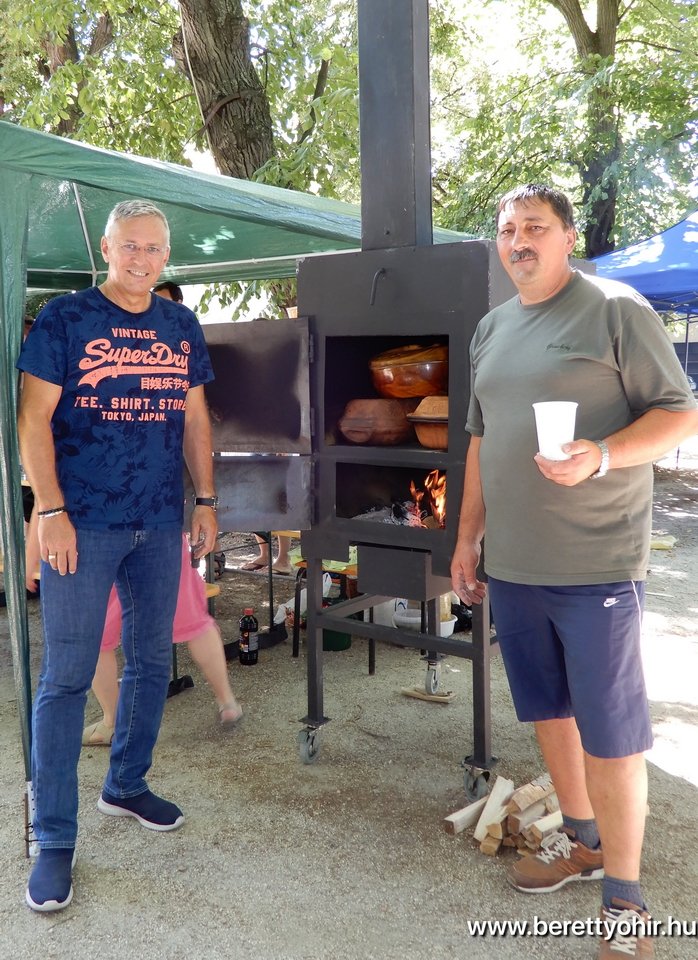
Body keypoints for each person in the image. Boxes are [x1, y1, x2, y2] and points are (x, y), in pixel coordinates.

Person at [451, 184, 698, 960]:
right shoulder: (491, 328)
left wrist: (601, 454)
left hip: (596, 564)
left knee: (614, 734)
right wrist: (467, 538)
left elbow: (678, 412)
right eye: (506, 230)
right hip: (516, 564)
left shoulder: (615, 309)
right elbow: (480, 443)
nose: (518, 240)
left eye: (535, 227)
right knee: (548, 709)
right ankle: (582, 839)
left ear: (565, 238)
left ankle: (625, 899)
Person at [17, 199, 219, 913]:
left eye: (154, 249)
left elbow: (195, 417)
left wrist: (205, 501)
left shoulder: (179, 325)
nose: (141, 259)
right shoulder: (64, 320)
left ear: (168, 256)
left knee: (149, 661)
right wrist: (50, 511)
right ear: (107, 248)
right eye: (129, 246)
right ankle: (54, 838)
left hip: (160, 523)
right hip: (84, 524)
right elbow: (32, 418)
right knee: (67, 677)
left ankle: (126, 784)